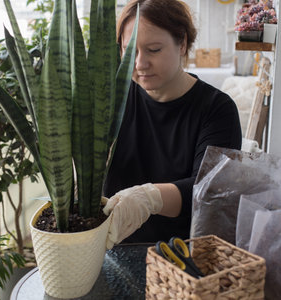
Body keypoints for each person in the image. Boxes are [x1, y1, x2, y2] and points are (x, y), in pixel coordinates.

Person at [103, 0, 242, 249]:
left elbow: (210, 194)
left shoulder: (217, 110)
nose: (140, 63)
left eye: (154, 50)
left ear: (183, 44)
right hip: (113, 249)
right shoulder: (112, 99)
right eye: (130, 51)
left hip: (182, 258)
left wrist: (149, 198)